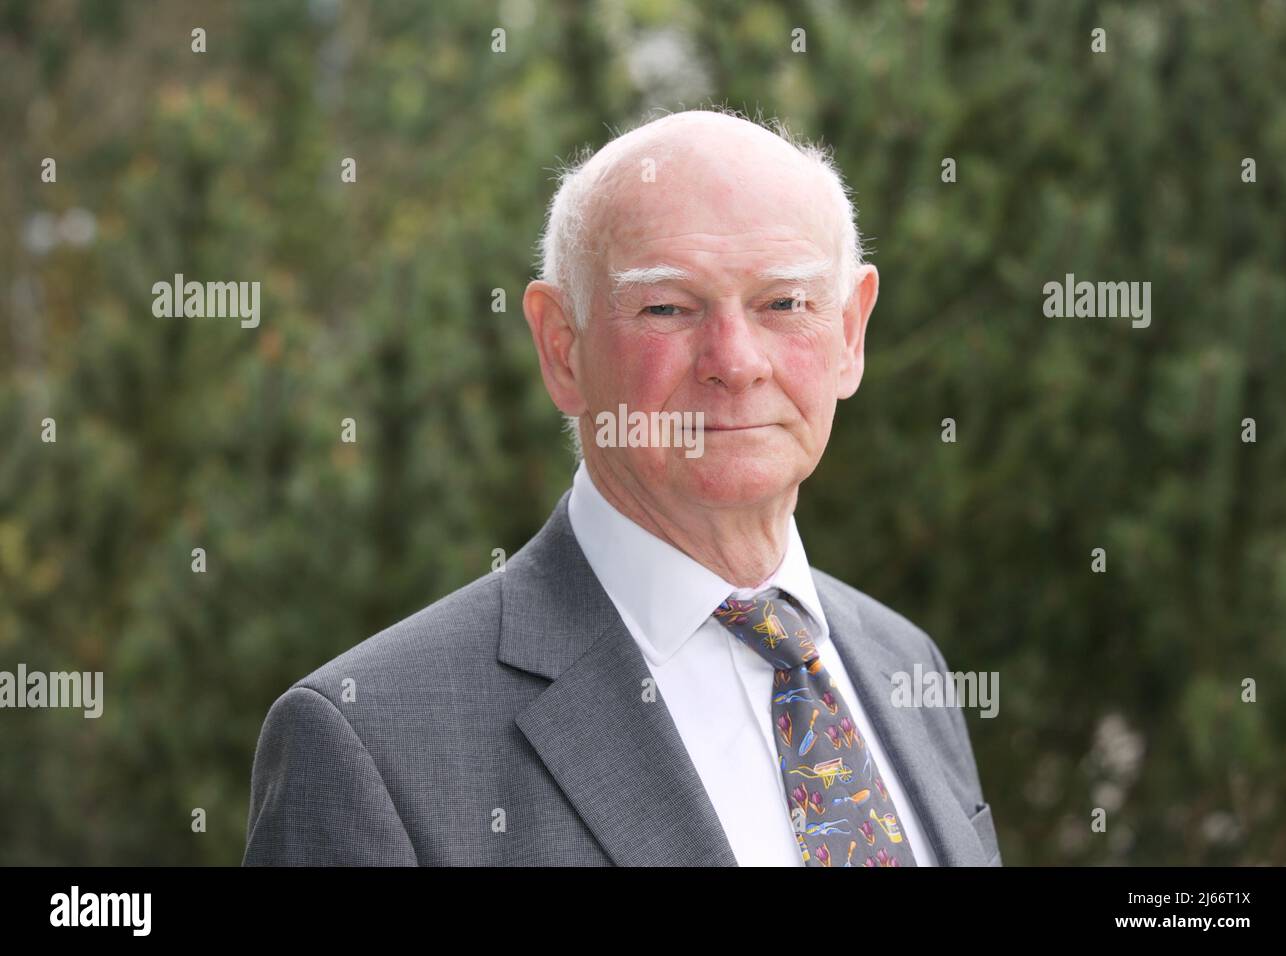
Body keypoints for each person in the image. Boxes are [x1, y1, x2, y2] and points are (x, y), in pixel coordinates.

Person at [243, 108, 1001, 866]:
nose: (735, 362)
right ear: (561, 349)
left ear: (851, 335)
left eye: (784, 303)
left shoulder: (906, 667)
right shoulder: (371, 745)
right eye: (667, 307)